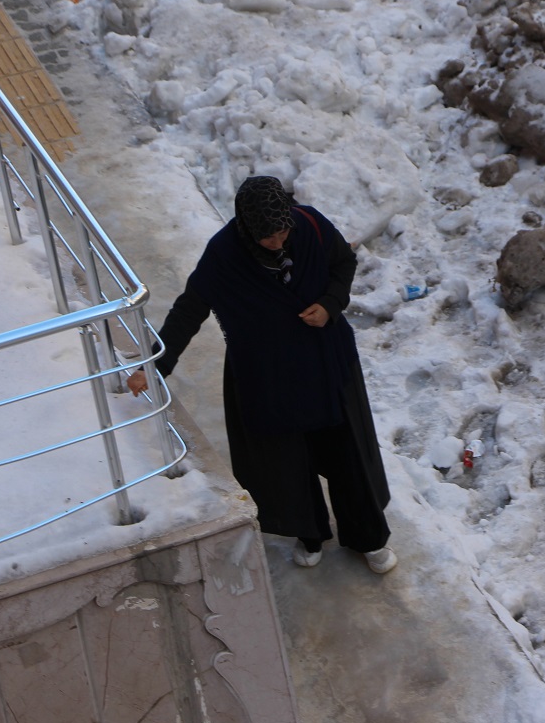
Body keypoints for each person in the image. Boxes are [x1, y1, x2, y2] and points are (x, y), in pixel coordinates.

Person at [126, 176, 397, 573]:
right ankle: (309, 534)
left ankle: (369, 537)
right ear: (248, 227)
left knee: (347, 453)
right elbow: (189, 310)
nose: (278, 241)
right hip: (267, 375)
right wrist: (154, 366)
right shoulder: (223, 255)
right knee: (287, 460)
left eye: (283, 231)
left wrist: (330, 303)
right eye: (268, 236)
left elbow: (343, 263)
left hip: (327, 362)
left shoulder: (310, 224)